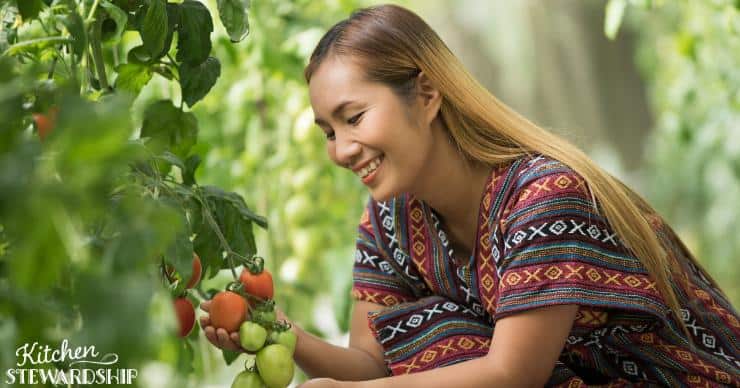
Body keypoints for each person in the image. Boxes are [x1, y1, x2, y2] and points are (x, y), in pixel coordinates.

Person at [200, 4, 740, 387]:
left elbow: (512, 373)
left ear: (427, 94)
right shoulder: (389, 219)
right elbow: (372, 365)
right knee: (426, 342)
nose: (341, 150)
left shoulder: (544, 195)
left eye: (354, 118)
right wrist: (280, 334)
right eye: (328, 132)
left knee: (442, 339)